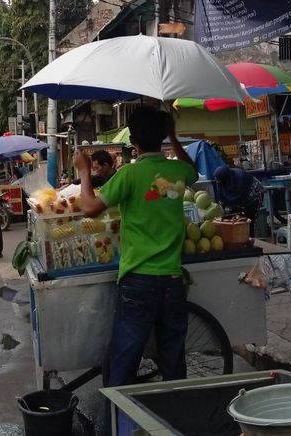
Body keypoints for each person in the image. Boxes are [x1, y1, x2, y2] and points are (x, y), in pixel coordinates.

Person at [73, 106, 198, 387]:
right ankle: (179, 420)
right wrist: (173, 138)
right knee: (174, 362)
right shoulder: (178, 172)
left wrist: (83, 172)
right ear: (162, 135)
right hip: (172, 281)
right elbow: (194, 172)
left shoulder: (129, 175)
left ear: (133, 142)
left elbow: (90, 208)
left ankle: (120, 426)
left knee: (123, 363)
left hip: (138, 281)